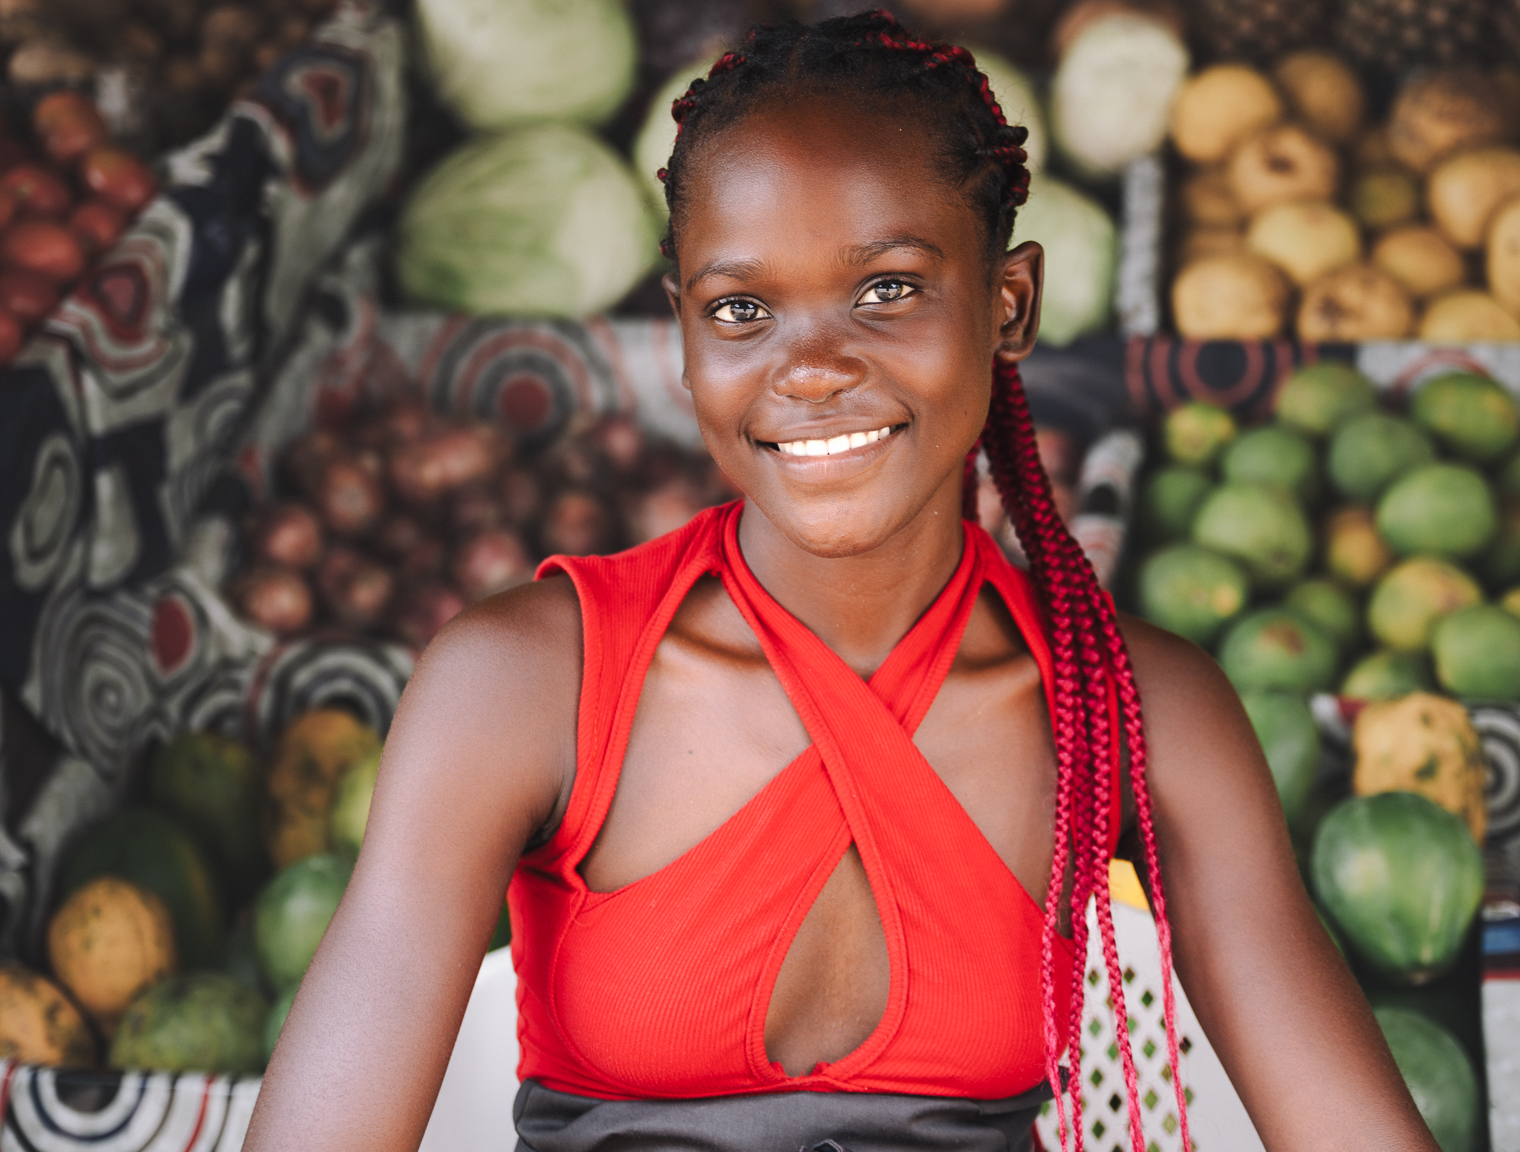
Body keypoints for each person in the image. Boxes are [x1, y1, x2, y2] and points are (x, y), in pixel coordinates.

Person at [246, 12, 1436, 1151]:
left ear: (1007, 304)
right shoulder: (521, 686)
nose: (808, 368)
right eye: (741, 309)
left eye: (886, 289)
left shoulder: (1139, 716)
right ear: (683, 334)